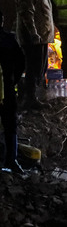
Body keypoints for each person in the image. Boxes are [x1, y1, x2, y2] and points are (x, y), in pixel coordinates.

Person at [13, 0, 53, 108]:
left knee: (40, 68)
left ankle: (32, 97)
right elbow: (26, 11)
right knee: (33, 68)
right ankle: (29, 99)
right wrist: (33, 32)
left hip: (41, 36)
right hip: (33, 37)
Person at [0, 10, 25, 172]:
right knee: (10, 126)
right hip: (7, 90)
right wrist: (13, 81)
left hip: (6, 88)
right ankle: (12, 160)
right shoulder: (9, 39)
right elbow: (21, 62)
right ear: (2, 21)